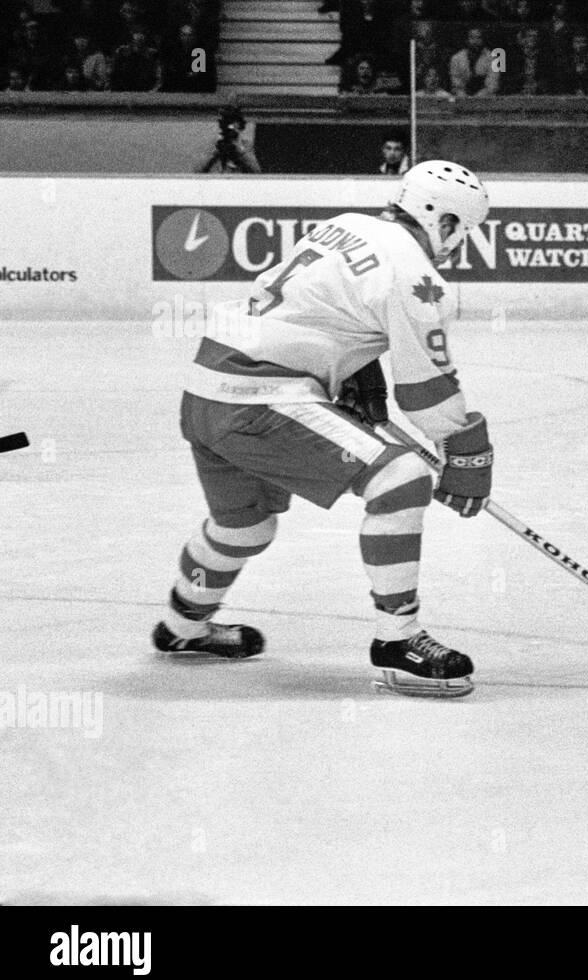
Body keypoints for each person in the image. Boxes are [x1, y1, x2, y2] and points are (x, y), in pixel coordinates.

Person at [153, 160, 493, 699]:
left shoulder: (344, 225)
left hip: (207, 387)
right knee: (402, 479)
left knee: (244, 527)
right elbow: (426, 395)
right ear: (444, 221)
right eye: (461, 231)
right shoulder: (420, 279)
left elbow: (320, 306)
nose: (456, 244)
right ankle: (398, 640)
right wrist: (467, 451)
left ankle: (182, 627)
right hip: (260, 396)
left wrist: (357, 370)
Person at [196, 105, 261, 174]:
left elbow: (256, 172)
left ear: (240, 125)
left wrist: (237, 153)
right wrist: (216, 153)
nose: (230, 126)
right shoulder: (214, 145)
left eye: (233, 122)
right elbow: (198, 172)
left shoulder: (246, 146)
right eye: (226, 121)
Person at [449, 26, 500, 96]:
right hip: (462, 97)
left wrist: (476, 98)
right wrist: (464, 97)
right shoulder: (456, 58)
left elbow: (493, 84)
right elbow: (456, 83)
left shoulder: (493, 58)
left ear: (483, 40)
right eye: (472, 38)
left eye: (478, 38)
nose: (475, 41)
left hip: (485, 97)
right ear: (466, 40)